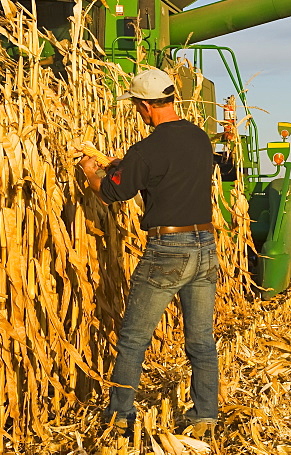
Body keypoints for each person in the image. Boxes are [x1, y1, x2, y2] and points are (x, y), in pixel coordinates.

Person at [80, 67, 219, 438]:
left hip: (168, 250)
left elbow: (112, 193)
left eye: (137, 108)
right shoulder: (199, 138)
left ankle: (119, 416)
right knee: (201, 339)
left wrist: (91, 172)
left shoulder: (146, 149)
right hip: (206, 247)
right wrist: (120, 168)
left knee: (133, 339)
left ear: (144, 106)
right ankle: (206, 414)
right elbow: (168, 174)